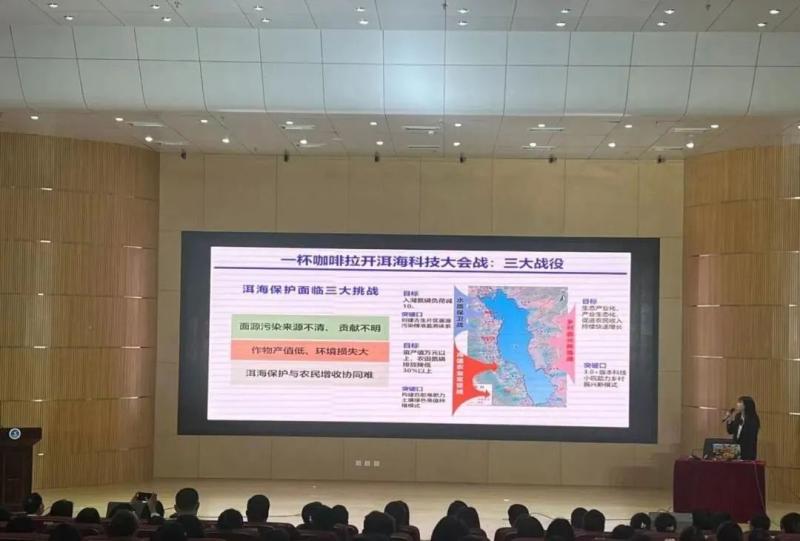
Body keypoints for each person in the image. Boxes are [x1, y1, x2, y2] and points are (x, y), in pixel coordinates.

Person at [725, 396, 760, 460]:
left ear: (746, 405)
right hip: (735, 450)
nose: (737, 404)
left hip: (747, 452)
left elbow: (750, 437)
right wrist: (729, 420)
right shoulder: (738, 416)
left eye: (740, 402)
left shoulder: (753, 419)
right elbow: (730, 431)